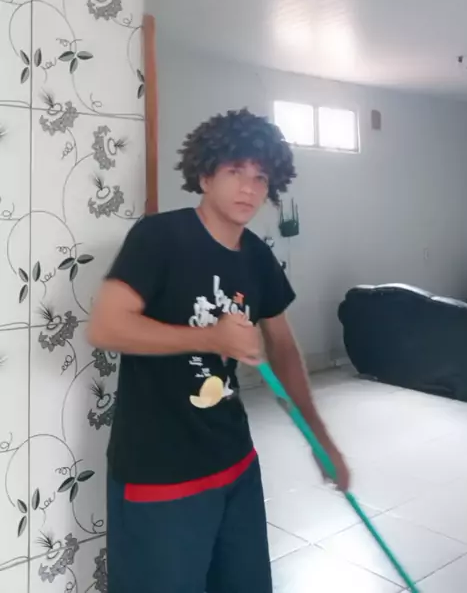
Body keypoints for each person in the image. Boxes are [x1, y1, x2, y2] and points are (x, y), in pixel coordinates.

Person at [88, 108, 350, 593]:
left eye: (260, 177)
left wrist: (321, 440)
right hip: (159, 473)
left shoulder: (257, 256)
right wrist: (210, 337)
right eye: (235, 171)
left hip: (235, 463)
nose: (249, 187)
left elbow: (284, 350)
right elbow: (106, 326)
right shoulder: (159, 237)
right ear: (206, 175)